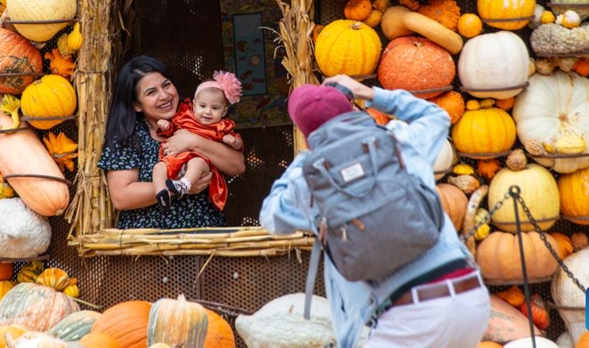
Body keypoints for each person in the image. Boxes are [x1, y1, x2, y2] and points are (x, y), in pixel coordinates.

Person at [260, 75, 490, 348]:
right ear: (350, 110)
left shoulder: (310, 179)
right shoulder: (397, 140)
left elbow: (271, 218)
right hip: (469, 299)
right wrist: (370, 94)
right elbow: (437, 116)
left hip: (408, 317)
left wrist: (302, 162)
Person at [99, 55, 246, 229]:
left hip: (204, 238)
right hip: (150, 244)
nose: (164, 95)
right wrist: (180, 186)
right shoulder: (128, 135)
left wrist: (193, 140)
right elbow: (121, 197)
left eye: (166, 85)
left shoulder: (200, 119)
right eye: (151, 92)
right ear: (137, 105)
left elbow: (238, 166)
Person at [153, 70, 244, 212]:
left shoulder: (221, 126)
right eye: (203, 106)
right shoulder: (185, 117)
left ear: (224, 111)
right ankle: (162, 193)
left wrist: (233, 142)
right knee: (158, 167)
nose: (208, 112)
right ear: (194, 105)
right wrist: (166, 126)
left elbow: (238, 146)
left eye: (215, 108)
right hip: (176, 159)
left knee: (197, 163)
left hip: (199, 160)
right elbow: (173, 130)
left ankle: (184, 184)